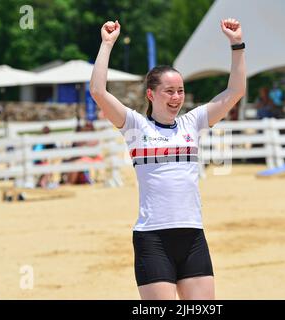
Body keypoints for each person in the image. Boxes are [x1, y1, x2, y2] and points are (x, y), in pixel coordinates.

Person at [90, 18, 245, 300]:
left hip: (193, 236)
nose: (177, 97)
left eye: (180, 91)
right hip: (153, 239)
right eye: (169, 91)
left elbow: (235, 92)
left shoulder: (193, 122)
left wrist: (237, 44)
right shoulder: (135, 126)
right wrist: (106, 44)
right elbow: (99, 92)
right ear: (151, 94)